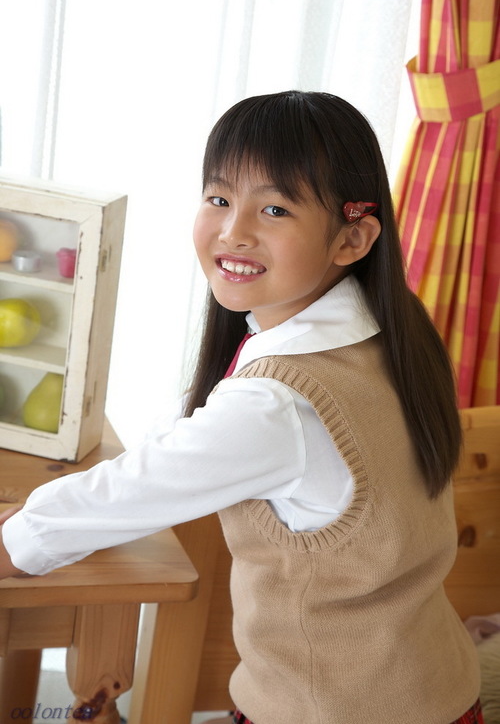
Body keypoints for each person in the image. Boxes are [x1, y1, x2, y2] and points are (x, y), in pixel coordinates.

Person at [0, 91, 482, 724]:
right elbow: (186, 441)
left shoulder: (279, 403)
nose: (234, 232)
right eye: (220, 199)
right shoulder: (387, 332)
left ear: (353, 237)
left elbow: (136, 489)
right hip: (439, 690)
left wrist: (18, 536)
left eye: (275, 208)